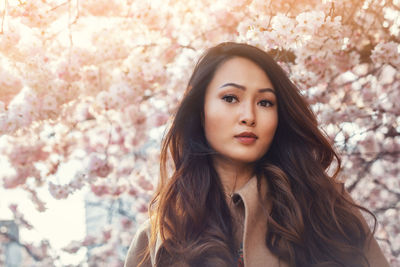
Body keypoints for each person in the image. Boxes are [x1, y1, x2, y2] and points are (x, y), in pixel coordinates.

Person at [124, 42, 389, 267]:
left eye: (265, 102)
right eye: (230, 98)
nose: (249, 116)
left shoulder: (326, 210)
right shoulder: (159, 237)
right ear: (200, 111)